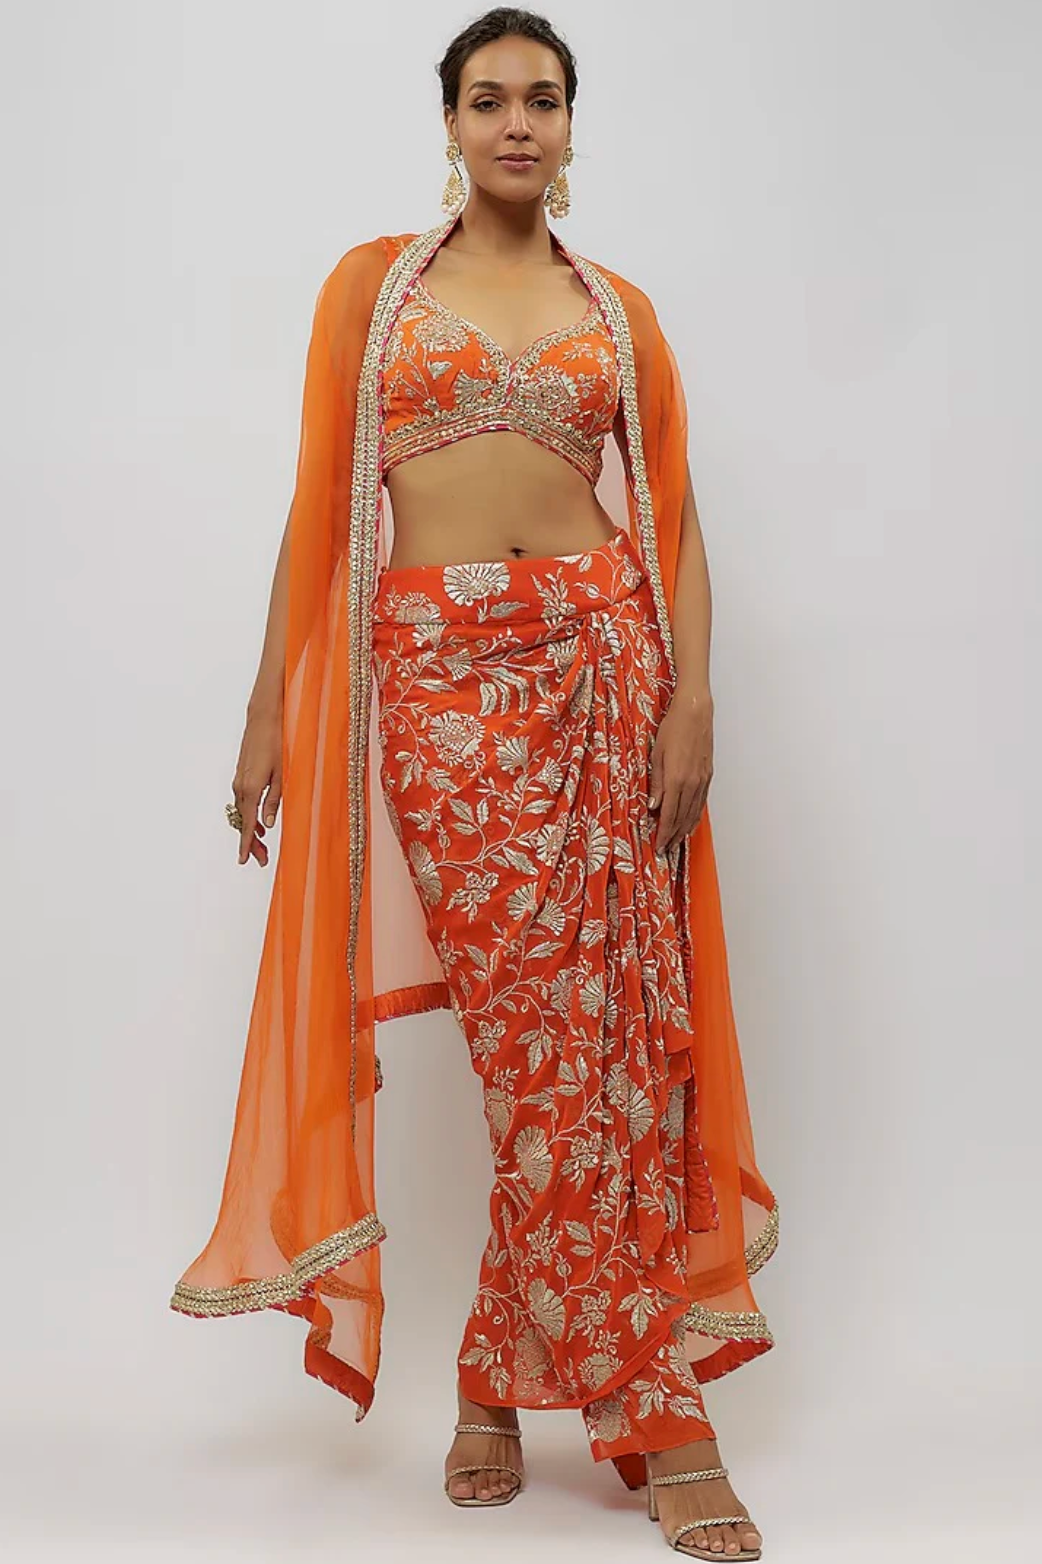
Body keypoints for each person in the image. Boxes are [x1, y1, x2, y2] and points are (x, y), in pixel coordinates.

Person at [170, 9, 778, 1560]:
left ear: (572, 127)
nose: (518, 122)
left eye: (544, 99)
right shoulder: (374, 291)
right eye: (490, 98)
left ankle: (504, 1380)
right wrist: (267, 709)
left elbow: (674, 520)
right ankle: (658, 1411)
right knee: (530, 1050)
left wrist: (692, 701)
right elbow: (319, 509)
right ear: (446, 122)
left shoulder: (617, 312)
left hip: (606, 670)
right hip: (440, 692)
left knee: (608, 1055)